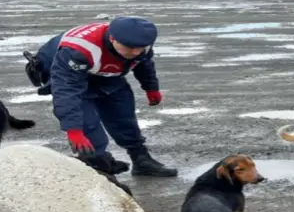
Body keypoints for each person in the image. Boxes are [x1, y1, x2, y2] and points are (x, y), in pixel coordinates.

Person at [22, 17, 178, 177]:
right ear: (112, 38)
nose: (135, 52)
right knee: (88, 126)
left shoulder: (141, 43)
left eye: (140, 48)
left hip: (105, 70)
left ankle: (141, 160)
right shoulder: (78, 50)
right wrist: (73, 129)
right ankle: (100, 167)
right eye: (130, 48)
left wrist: (151, 88)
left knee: (123, 114)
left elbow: (144, 64)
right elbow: (66, 90)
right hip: (64, 71)